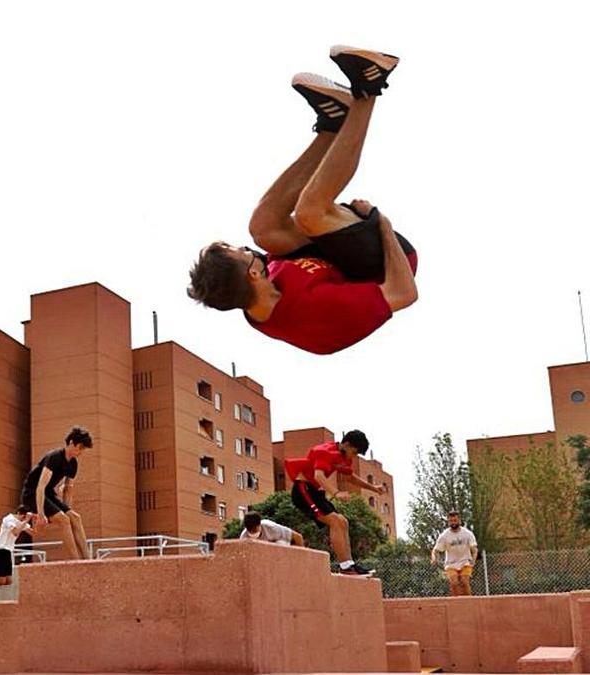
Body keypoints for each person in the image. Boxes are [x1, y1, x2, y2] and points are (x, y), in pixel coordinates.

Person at [187, 45, 418, 355]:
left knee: (263, 228)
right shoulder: (314, 312)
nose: (246, 248)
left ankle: (333, 125)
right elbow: (404, 293)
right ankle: (370, 85)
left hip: (334, 259)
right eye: (242, 252)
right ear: (253, 273)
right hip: (385, 267)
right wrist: (382, 223)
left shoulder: (257, 290)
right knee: (310, 212)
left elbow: (271, 236)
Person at [285, 430, 385, 575]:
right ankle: (345, 567)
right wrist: (336, 493)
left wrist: (374, 489)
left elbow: (350, 478)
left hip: (316, 492)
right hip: (303, 490)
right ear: (347, 444)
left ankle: (350, 564)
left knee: (343, 521)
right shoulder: (324, 451)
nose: (354, 456)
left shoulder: (344, 458)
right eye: (354, 452)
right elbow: (318, 475)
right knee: (335, 521)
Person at [20, 426, 92, 560]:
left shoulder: (73, 464)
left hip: (48, 494)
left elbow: (68, 490)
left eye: (83, 449)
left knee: (75, 518)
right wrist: (41, 515)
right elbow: (40, 487)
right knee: (64, 520)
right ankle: (76, 561)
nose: (81, 451)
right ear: (71, 443)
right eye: (80, 447)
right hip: (32, 494)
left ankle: (87, 559)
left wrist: (66, 509)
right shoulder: (54, 457)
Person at [432, 511, 479, 596]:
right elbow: (435, 550)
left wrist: (473, 561)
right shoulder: (444, 536)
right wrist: (434, 558)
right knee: (454, 582)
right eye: (451, 521)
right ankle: (456, 602)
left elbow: (474, 549)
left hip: (465, 562)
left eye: (455, 520)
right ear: (448, 522)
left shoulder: (467, 534)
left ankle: (469, 601)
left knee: (464, 581)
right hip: (451, 564)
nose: (453, 523)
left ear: (459, 521)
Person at [238, 512, 304, 546]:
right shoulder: (244, 537)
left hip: (279, 548)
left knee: (280, 543)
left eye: (254, 530)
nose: (252, 533)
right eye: (250, 531)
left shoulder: (271, 528)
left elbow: (298, 537)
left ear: (259, 525)